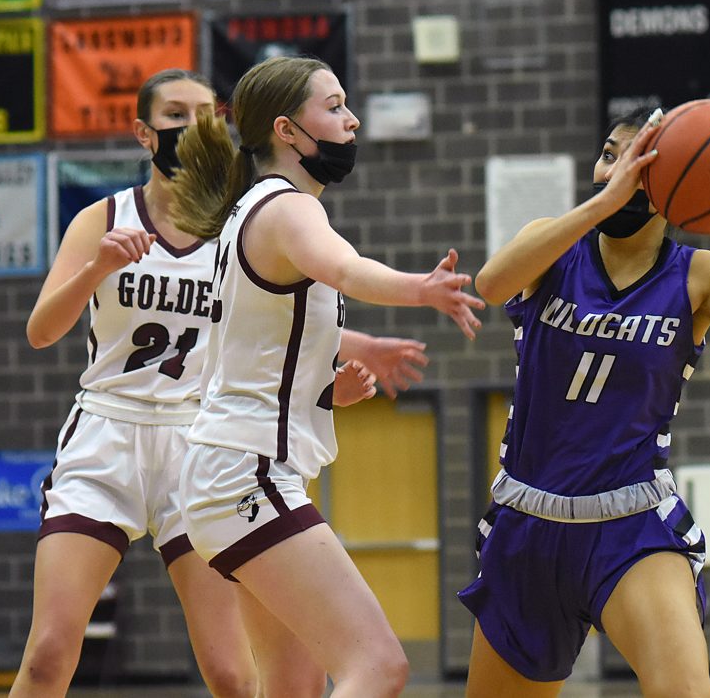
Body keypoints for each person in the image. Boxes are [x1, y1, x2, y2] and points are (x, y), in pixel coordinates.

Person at [14, 68, 430, 698]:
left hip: (197, 436)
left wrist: (344, 364)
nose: (192, 127)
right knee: (48, 654)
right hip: (109, 430)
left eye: (205, 114)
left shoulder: (234, 222)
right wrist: (98, 265)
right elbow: (41, 332)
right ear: (144, 133)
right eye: (175, 115)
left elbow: (259, 331)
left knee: (233, 674)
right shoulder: (106, 218)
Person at [460, 105, 710, 697]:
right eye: (608, 155)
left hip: (631, 524)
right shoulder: (554, 245)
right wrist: (602, 204)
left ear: (673, 184)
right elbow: (491, 284)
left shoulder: (701, 275)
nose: (613, 169)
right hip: (528, 519)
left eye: (638, 160)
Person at [167, 55, 484, 698]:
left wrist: (323, 384)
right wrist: (420, 289)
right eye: (335, 106)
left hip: (229, 470)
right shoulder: (289, 209)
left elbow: (256, 344)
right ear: (287, 130)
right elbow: (345, 268)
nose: (352, 119)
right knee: (379, 666)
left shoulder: (249, 211)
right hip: (247, 473)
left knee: (294, 688)